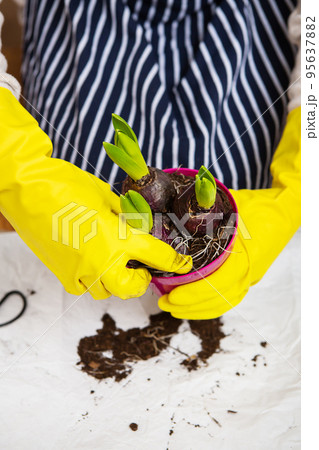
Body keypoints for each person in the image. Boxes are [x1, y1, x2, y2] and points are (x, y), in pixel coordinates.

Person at [0, 0, 300, 319]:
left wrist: (296, 188)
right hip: (79, 16)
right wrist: (18, 169)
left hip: (253, 19)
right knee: (84, 220)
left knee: (226, 212)